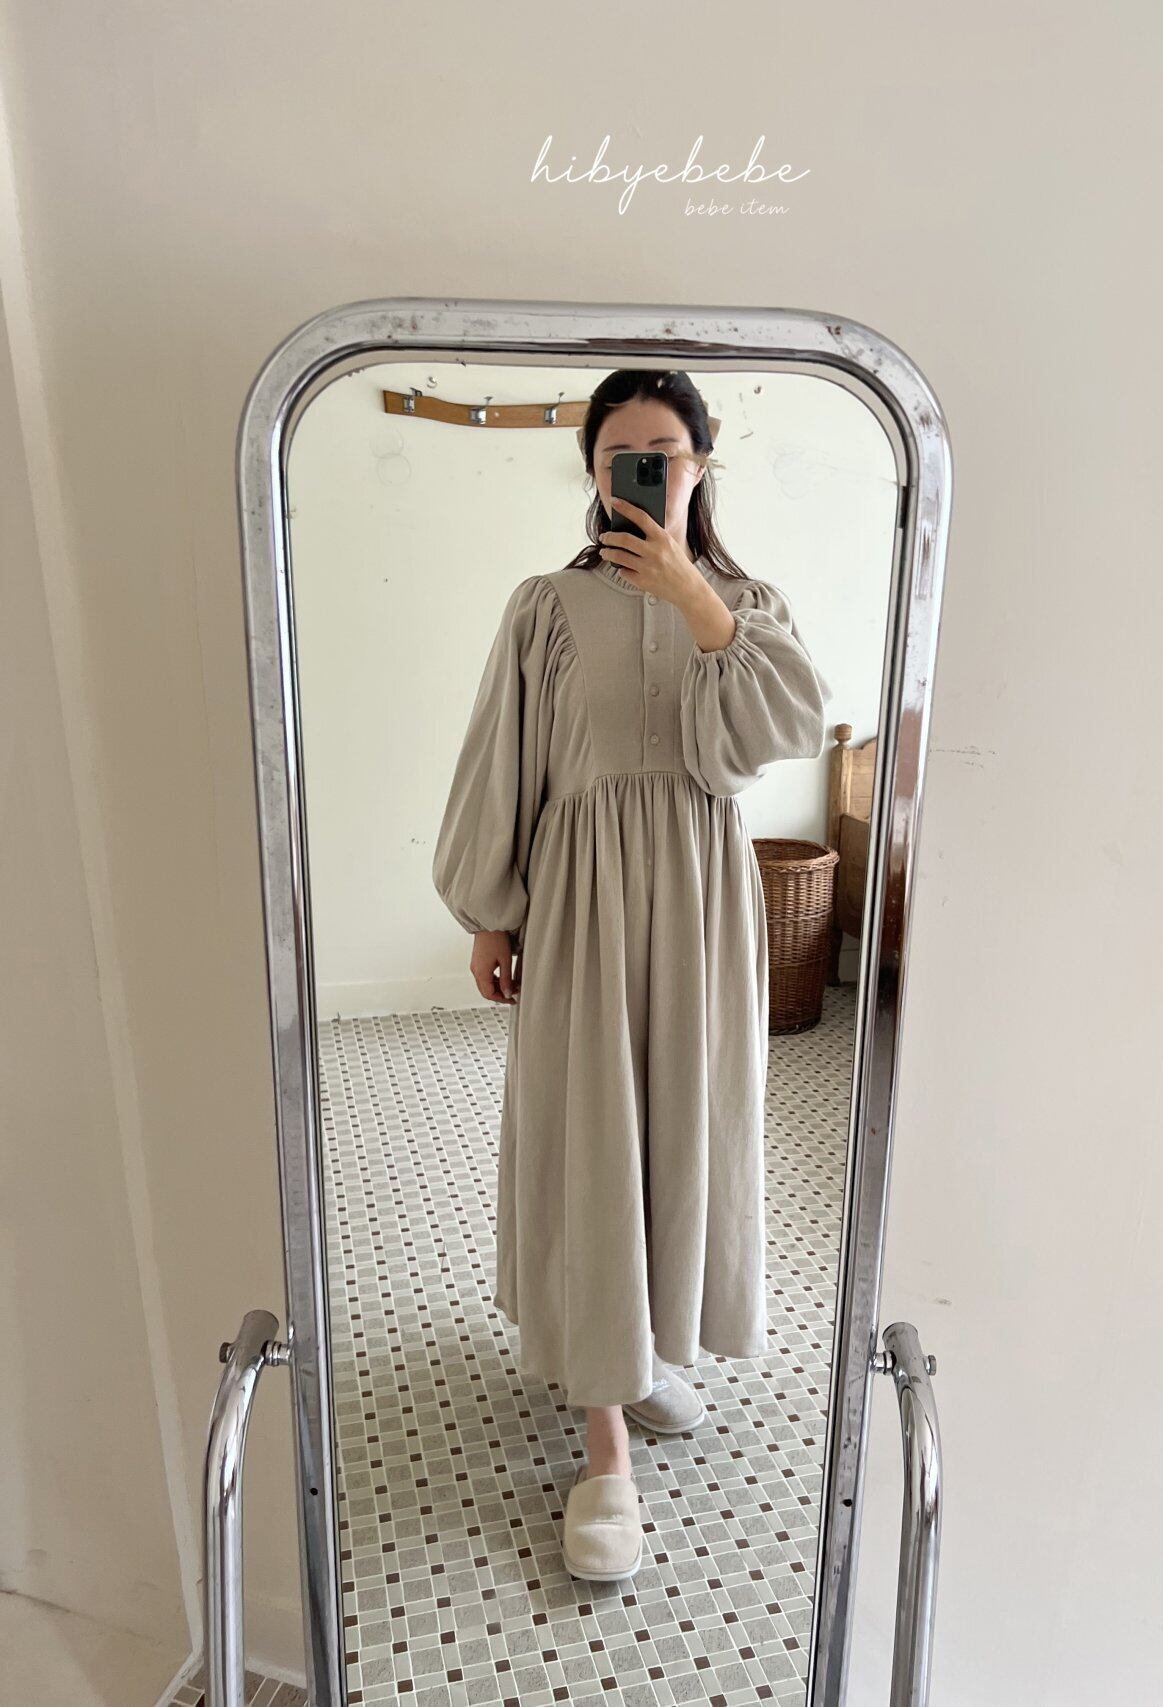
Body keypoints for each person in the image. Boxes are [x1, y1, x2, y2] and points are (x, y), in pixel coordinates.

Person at [432, 369, 832, 1582]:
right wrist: (490, 913)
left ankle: (644, 1347)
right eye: (622, 456)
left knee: (682, 1128)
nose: (646, 471)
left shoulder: (747, 609)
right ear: (594, 473)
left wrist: (695, 601)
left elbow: (774, 734)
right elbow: (503, 758)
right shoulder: (546, 607)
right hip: (582, 904)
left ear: (701, 465)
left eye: (668, 451)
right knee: (592, 1133)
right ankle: (602, 1433)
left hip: (704, 903)